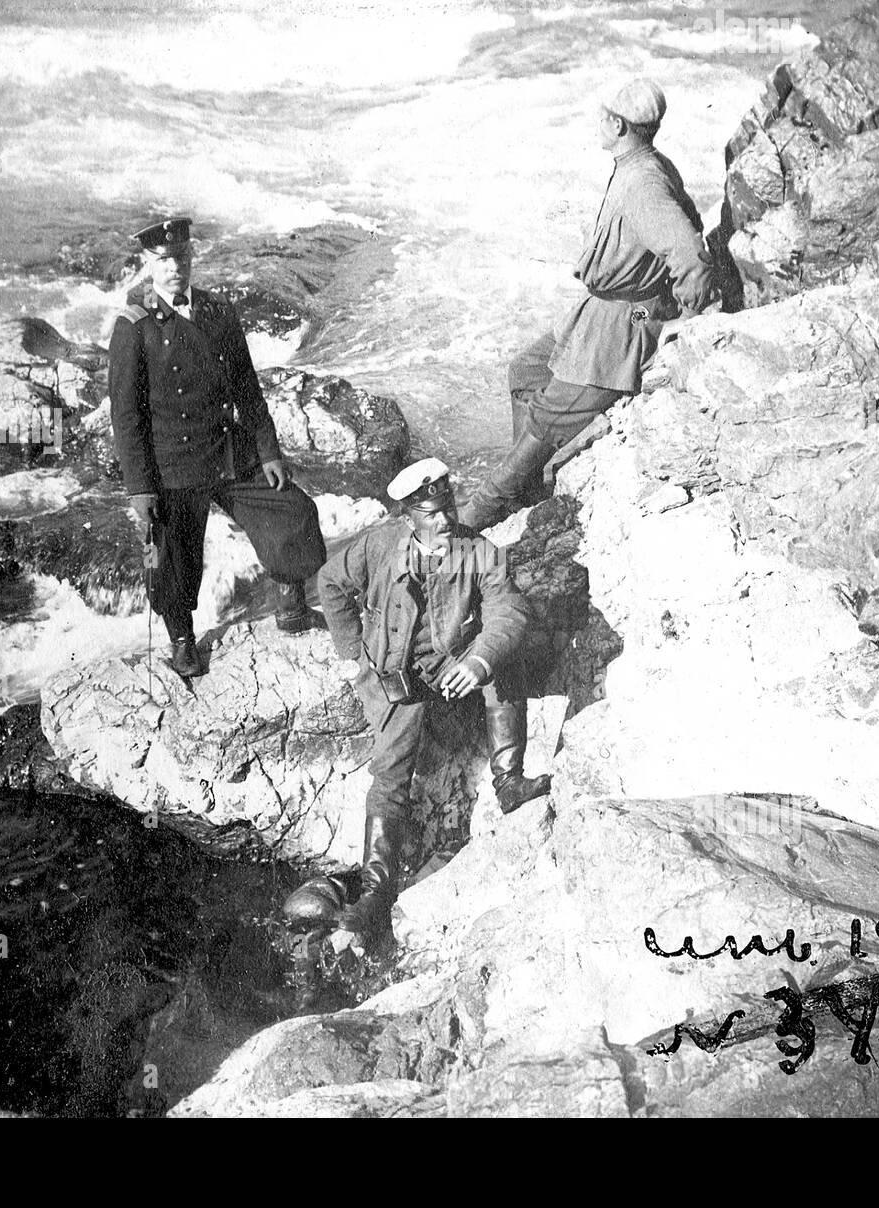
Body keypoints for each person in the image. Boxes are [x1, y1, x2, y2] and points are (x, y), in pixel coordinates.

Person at [282, 457, 552, 936]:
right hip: (395, 678)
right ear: (409, 515)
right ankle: (375, 887)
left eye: (447, 506)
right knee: (390, 771)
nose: (444, 520)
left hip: (450, 666)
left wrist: (478, 660)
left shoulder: (477, 551)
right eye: (431, 513)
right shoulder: (380, 546)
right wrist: (351, 652)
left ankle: (509, 782)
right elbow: (331, 583)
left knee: (501, 657)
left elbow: (509, 611)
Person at [460, 78, 716, 531]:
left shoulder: (641, 183)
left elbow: (690, 253)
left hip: (623, 321)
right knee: (525, 371)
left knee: (546, 414)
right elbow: (691, 222)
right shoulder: (646, 163)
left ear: (618, 124)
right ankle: (530, 487)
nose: (598, 122)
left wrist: (687, 320)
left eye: (603, 116)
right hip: (616, 311)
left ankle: (482, 511)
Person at [109, 217, 327, 675]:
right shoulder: (134, 327)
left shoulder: (218, 313)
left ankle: (292, 606)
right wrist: (139, 489)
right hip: (174, 464)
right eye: (164, 260)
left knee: (293, 510)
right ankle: (183, 640)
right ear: (147, 265)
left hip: (227, 453)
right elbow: (126, 417)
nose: (175, 268)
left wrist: (268, 451)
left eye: (182, 258)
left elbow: (248, 388)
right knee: (171, 555)